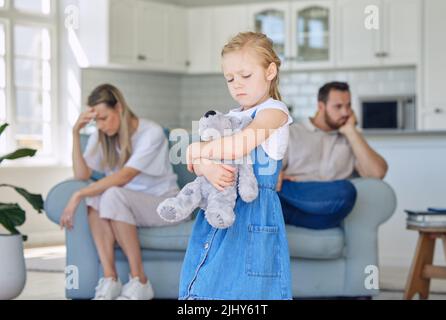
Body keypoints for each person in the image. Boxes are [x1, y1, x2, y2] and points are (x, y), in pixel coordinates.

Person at [178, 32, 293, 300]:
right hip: (219, 210)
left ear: (270, 71)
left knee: (247, 290)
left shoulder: (275, 112)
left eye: (245, 76)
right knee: (206, 284)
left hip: (253, 214)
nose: (237, 84)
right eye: (230, 78)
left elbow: (241, 144)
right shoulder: (228, 117)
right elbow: (196, 165)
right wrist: (208, 168)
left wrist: (198, 149)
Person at [60, 84, 182, 300]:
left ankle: (140, 281)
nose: (101, 125)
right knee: (100, 197)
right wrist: (75, 133)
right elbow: (81, 174)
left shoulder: (150, 132)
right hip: (124, 204)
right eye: (96, 120)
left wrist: (78, 194)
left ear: (118, 108)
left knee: (111, 193)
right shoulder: (102, 135)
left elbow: (125, 176)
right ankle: (110, 280)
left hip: (164, 203)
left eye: (104, 118)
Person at [277, 81, 389, 229]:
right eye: (338, 106)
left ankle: (286, 214)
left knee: (345, 193)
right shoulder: (293, 132)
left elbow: (377, 173)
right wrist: (278, 173)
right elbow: (273, 175)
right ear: (321, 107)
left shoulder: (352, 138)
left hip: (330, 202)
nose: (345, 112)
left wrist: (350, 131)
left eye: (348, 106)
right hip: (296, 193)